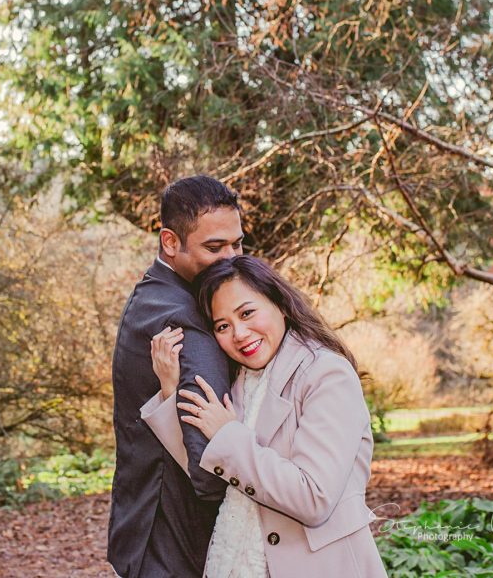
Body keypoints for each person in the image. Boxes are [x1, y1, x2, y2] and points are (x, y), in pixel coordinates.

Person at [142, 256, 388, 578]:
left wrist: (228, 435)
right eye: (223, 326)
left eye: (247, 313)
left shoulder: (327, 374)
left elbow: (313, 498)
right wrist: (170, 388)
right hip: (232, 562)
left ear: (280, 304)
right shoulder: (242, 383)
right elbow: (211, 469)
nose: (240, 334)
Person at [108, 176, 247, 578]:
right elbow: (211, 469)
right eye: (214, 247)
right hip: (179, 544)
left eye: (237, 243)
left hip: (143, 530)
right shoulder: (184, 318)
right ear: (170, 242)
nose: (231, 258)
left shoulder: (150, 293)